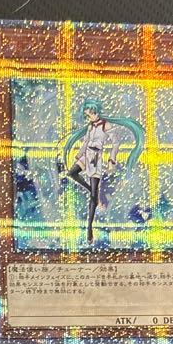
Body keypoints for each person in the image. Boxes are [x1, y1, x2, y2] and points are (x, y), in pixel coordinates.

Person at [63, 98, 144, 243]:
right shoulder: (90, 126)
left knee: (93, 197)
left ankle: (89, 228)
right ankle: (91, 190)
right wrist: (79, 154)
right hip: (86, 155)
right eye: (87, 115)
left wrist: (112, 159)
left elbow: (116, 143)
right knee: (72, 173)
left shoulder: (106, 125)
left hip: (95, 158)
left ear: (96, 112)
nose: (89, 117)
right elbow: (86, 141)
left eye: (90, 114)